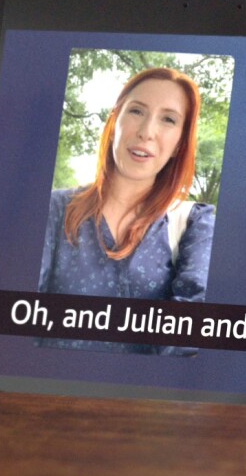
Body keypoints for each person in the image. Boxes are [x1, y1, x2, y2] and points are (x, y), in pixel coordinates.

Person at [38, 67, 215, 355]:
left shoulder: (196, 224)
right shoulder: (54, 209)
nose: (146, 132)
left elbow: (190, 331)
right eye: (136, 112)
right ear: (114, 122)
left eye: (168, 119)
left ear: (179, 144)